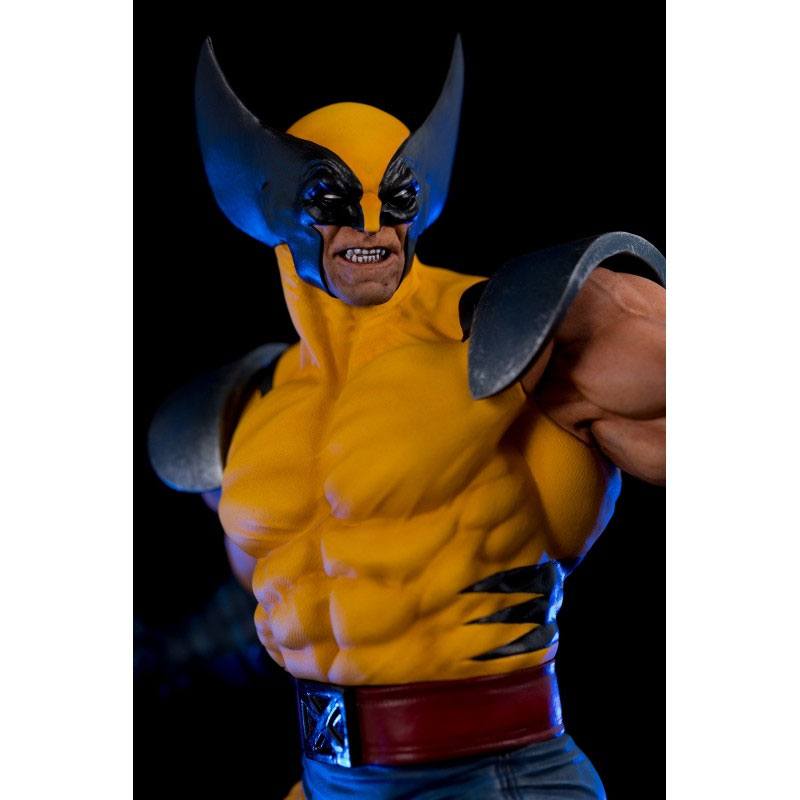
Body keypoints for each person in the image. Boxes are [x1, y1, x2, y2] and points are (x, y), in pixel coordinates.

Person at [149, 36, 665, 800]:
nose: (370, 225)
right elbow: (304, 592)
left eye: (395, 198)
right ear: (264, 200)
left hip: (495, 777)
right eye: (331, 200)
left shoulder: (525, 329)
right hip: (330, 780)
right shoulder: (242, 410)